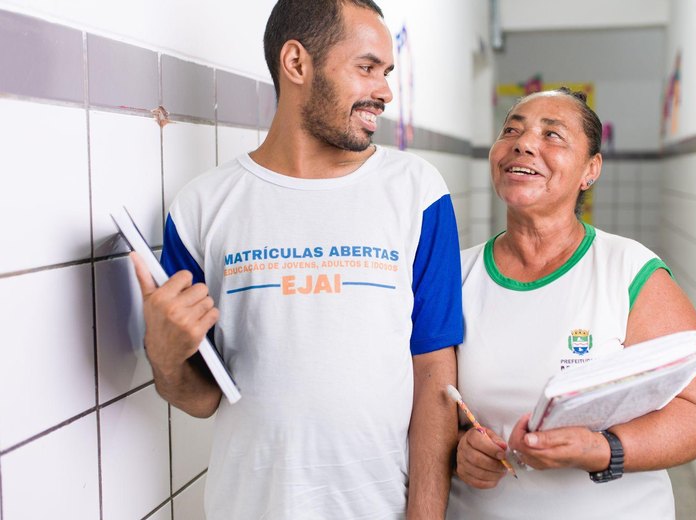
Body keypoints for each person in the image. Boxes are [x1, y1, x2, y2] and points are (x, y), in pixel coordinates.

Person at [130, 1, 462, 518]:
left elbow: (435, 373)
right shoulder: (202, 207)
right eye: (366, 68)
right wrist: (165, 354)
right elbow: (201, 398)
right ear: (297, 63)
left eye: (387, 72)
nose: (385, 91)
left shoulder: (417, 193)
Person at [447, 88, 696, 519]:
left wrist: (601, 449)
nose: (523, 143)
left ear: (590, 170)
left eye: (552, 135)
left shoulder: (630, 272)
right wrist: (458, 451)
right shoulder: (455, 277)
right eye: (511, 131)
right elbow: (429, 406)